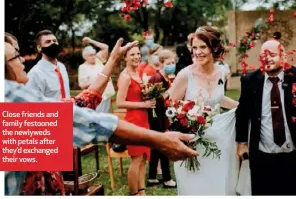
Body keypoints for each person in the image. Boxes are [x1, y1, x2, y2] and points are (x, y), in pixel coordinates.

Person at [4, 34, 199, 196]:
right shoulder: (8, 96)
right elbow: (82, 121)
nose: (22, 60)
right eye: (15, 56)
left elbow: (81, 102)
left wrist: (112, 60)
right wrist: (161, 140)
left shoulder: (56, 71)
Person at [235, 40, 296, 195]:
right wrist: (241, 143)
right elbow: (242, 113)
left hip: (292, 155)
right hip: (262, 156)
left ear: (284, 57)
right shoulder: (250, 81)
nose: (267, 58)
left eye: (273, 55)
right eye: (264, 55)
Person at [168, 26, 239, 195]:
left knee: (218, 184)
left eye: (202, 47)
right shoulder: (186, 75)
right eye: (194, 47)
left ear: (214, 49)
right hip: (192, 143)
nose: (198, 52)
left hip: (218, 142)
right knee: (195, 188)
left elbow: (219, 99)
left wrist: (240, 106)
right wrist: (185, 127)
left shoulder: (221, 72)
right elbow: (170, 107)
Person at [116, 45, 156, 196]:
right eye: (132, 54)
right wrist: (143, 104)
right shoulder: (125, 76)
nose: (136, 57)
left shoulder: (139, 73)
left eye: (138, 54)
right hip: (133, 121)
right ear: (125, 57)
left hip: (144, 120)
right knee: (136, 159)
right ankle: (133, 194)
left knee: (144, 157)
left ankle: (142, 192)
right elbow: (120, 103)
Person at [146, 49, 177, 189]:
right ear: (162, 64)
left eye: (173, 62)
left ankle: (152, 177)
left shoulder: (164, 78)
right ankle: (167, 179)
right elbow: (158, 101)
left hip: (160, 115)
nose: (172, 65)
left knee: (156, 148)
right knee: (163, 146)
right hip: (156, 117)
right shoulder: (158, 79)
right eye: (169, 63)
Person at [26, 29, 70, 99]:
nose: (53, 44)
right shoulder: (35, 74)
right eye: (48, 42)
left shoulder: (61, 67)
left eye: (55, 41)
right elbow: (32, 103)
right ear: (39, 48)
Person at [78, 37, 115, 113]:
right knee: (96, 118)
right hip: (94, 96)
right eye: (91, 55)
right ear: (85, 57)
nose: (93, 56)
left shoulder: (98, 60)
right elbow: (82, 85)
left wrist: (91, 41)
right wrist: (97, 81)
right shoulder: (82, 67)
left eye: (94, 54)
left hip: (106, 94)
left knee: (106, 117)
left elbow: (105, 47)